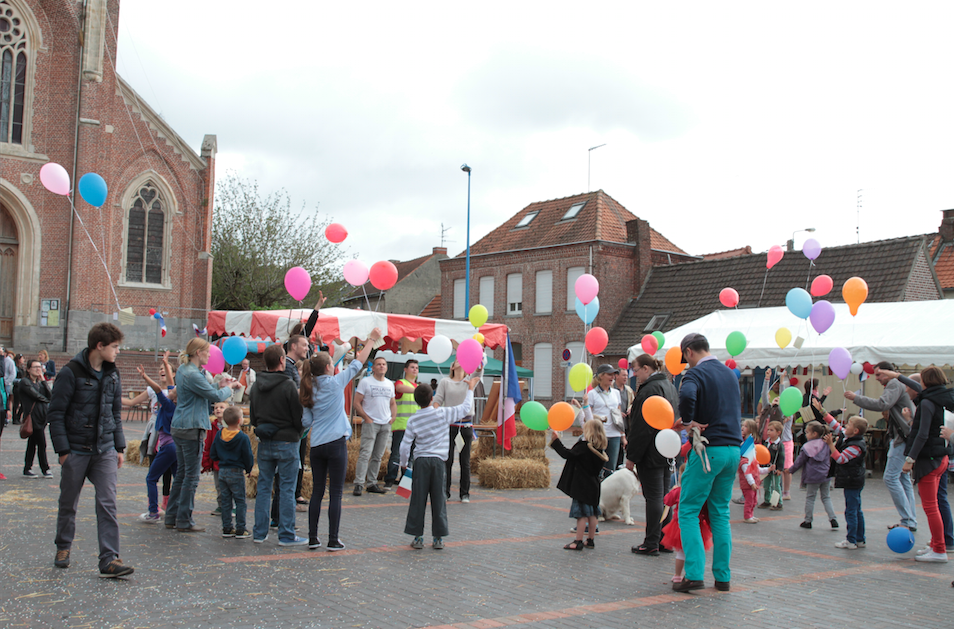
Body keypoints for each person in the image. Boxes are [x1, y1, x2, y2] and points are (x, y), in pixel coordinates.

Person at [48, 323, 133, 577]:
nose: (118, 351)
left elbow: (114, 413)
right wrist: (63, 451)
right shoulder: (70, 372)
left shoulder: (113, 374)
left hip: (104, 449)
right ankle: (63, 546)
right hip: (75, 449)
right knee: (68, 502)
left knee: (108, 503)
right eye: (115, 347)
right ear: (100, 346)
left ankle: (109, 558)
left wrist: (119, 447)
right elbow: (56, 414)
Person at [301, 328, 383, 551]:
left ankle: (312, 537)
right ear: (329, 367)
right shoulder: (336, 383)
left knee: (317, 491)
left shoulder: (309, 388)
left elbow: (306, 421)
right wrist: (371, 340)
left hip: (317, 444)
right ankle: (333, 539)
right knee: (335, 492)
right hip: (336, 443)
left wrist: (319, 349)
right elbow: (359, 362)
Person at [672, 333, 742, 593]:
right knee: (721, 514)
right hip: (732, 450)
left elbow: (688, 396)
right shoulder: (728, 373)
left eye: (685, 359)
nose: (687, 364)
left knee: (688, 511)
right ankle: (723, 578)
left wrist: (688, 421)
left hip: (707, 451)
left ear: (689, 351)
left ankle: (693, 575)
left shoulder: (694, 375)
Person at [165, 338, 241, 534]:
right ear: (198, 352)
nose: (210, 355)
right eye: (207, 351)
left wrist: (219, 385)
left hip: (180, 425)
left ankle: (172, 516)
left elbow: (203, 391)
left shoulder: (184, 370)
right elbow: (214, 397)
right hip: (192, 426)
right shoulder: (194, 374)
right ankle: (185, 519)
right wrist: (229, 387)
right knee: (191, 476)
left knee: (181, 474)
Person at [401, 376, 480, 550]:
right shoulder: (443, 413)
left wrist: (403, 463)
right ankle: (438, 538)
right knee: (438, 499)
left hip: (420, 461)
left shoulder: (413, 420)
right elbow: (466, 408)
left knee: (418, 499)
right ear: (432, 398)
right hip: (438, 462)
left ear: (416, 401)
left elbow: (405, 444)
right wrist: (470, 388)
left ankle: (418, 537)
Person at [844, 361, 917, 531]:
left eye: (878, 374)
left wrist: (856, 398)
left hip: (902, 438)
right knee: (902, 478)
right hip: (904, 436)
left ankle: (908, 519)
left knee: (891, 478)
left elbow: (881, 404)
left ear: (888, 372)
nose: (876, 378)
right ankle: (910, 519)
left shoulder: (894, 384)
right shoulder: (897, 384)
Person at [891, 366, 952, 563]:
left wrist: (910, 459)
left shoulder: (927, 402)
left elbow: (922, 433)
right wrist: (896, 375)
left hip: (930, 459)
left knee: (931, 507)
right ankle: (937, 545)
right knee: (935, 504)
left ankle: (940, 549)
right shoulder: (941, 397)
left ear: (926, 382)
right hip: (941, 456)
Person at [250, 344, 305, 546]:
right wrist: (298, 433)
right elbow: (298, 416)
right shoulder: (288, 385)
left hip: (265, 440)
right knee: (287, 488)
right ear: (282, 360)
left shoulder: (256, 385)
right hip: (287, 440)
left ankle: (259, 532)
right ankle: (286, 534)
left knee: (264, 487)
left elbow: (254, 416)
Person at [625, 353, 680, 555]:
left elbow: (642, 428)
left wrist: (631, 457)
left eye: (636, 370)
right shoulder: (670, 386)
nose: (635, 374)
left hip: (651, 451)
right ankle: (664, 540)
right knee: (664, 497)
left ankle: (651, 542)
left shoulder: (649, 389)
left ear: (646, 369)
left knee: (655, 498)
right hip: (667, 449)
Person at [550, 419, 609, 551]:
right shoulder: (600, 449)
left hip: (581, 486)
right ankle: (591, 539)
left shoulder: (583, 447)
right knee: (593, 514)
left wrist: (556, 441)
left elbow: (567, 454)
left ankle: (578, 541)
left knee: (581, 515)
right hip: (594, 486)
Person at [135, 361, 178, 524]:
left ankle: (153, 511)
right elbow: (170, 385)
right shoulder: (178, 404)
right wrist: (166, 364)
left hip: (167, 446)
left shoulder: (167, 404)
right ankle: (177, 511)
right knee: (177, 479)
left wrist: (145, 376)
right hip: (177, 446)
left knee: (151, 478)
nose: (170, 389)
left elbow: (159, 389)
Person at [433, 360, 477, 503]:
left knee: (465, 461)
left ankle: (465, 493)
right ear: (452, 367)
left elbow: (480, 372)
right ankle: (445, 491)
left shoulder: (470, 381)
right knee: (447, 460)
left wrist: (481, 359)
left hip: (466, 425)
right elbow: (438, 399)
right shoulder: (445, 382)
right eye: (457, 360)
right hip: (449, 424)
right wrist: (434, 413)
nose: (461, 362)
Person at [663, 461, 713, 584]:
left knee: (681, 552)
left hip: (679, 526)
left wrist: (672, 490)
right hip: (698, 525)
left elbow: (667, 501)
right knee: (695, 549)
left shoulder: (679, 491)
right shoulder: (700, 491)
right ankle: (693, 573)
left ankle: (677, 575)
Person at [823, 415, 868, 550]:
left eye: (849, 425)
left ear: (855, 431)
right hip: (853, 479)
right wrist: (824, 413)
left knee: (851, 511)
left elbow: (841, 459)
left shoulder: (856, 446)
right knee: (856, 510)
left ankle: (851, 540)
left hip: (852, 480)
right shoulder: (851, 438)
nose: (845, 426)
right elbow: (836, 425)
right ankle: (860, 539)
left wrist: (831, 445)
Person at [352, 356, 395, 496]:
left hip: (385, 423)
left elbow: (392, 402)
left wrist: (393, 417)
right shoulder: (366, 382)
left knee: (378, 455)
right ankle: (358, 483)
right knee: (365, 453)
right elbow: (357, 402)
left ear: (386, 367)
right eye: (379, 364)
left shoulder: (390, 384)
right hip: (371, 422)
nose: (381, 366)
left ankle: (371, 482)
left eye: (384, 364)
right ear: (374, 367)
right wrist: (366, 417)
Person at [210, 406, 254, 539]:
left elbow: (213, 453)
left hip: (222, 470)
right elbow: (248, 456)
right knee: (240, 500)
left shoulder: (219, 434)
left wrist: (220, 458)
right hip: (236, 471)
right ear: (240, 420)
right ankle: (241, 528)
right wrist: (249, 468)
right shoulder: (242, 437)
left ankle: (227, 528)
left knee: (226, 500)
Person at [786, 418, 838, 530]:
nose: (806, 434)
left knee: (810, 498)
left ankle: (808, 520)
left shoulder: (807, 447)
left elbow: (799, 462)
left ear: (814, 433)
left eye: (807, 432)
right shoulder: (826, 444)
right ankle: (833, 518)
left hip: (813, 476)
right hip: (826, 475)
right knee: (826, 497)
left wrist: (790, 470)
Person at [759, 369, 795, 500]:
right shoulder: (768, 410)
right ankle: (771, 498)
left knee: (785, 469)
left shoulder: (784, 411)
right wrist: (767, 379)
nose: (776, 400)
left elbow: (783, 395)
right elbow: (764, 396)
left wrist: (782, 381)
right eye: (776, 399)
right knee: (771, 469)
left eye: (779, 399)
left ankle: (784, 492)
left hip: (784, 441)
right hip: (770, 442)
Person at [584, 364, 624, 479]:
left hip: (614, 434)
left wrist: (623, 435)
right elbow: (588, 416)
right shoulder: (592, 394)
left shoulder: (616, 393)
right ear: (601, 376)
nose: (612, 377)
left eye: (613, 374)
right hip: (599, 435)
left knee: (610, 469)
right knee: (597, 467)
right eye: (609, 374)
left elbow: (618, 414)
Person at [384, 359, 419, 488]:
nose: (415, 369)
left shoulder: (418, 387)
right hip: (401, 425)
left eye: (416, 367)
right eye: (412, 367)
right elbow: (399, 388)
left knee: (410, 456)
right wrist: (418, 391)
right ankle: (390, 478)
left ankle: (406, 481)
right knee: (396, 454)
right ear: (405, 370)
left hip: (414, 427)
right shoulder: (401, 383)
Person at [20, 359, 53, 478]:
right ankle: (45, 468)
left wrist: (43, 380)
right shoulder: (25, 382)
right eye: (35, 367)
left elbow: (50, 394)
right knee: (42, 444)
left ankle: (27, 468)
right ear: (28, 369)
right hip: (32, 418)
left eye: (39, 367)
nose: (38, 369)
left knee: (32, 444)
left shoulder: (40, 383)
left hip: (41, 417)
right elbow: (35, 395)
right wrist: (46, 400)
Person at [202, 401, 230, 516]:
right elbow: (208, 444)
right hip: (216, 462)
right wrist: (207, 462)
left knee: (229, 485)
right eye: (216, 408)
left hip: (227, 462)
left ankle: (230, 506)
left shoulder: (230, 427)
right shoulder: (211, 426)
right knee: (219, 485)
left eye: (221, 407)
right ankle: (221, 505)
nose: (218, 409)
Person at [738, 419, 761, 524]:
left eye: (745, 426)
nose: (743, 427)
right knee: (749, 499)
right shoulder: (743, 442)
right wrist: (752, 482)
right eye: (742, 425)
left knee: (753, 500)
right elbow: (746, 470)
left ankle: (751, 515)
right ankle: (748, 516)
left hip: (753, 476)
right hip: (748, 480)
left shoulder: (750, 441)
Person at [758, 421, 784, 510]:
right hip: (766, 468)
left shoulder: (779, 444)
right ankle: (767, 500)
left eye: (771, 430)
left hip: (775, 468)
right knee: (766, 485)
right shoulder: (766, 442)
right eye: (768, 430)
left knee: (776, 485)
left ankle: (779, 502)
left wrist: (780, 469)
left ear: (778, 432)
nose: (768, 432)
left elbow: (781, 457)